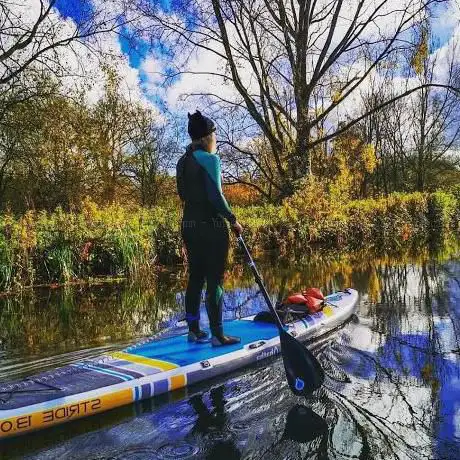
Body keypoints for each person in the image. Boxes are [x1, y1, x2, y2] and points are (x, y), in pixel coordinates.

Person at [176, 110, 243, 346]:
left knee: (195, 278)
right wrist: (233, 220)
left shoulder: (182, 162)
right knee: (215, 279)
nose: (215, 139)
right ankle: (217, 334)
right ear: (206, 137)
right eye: (214, 135)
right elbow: (216, 196)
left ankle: (193, 330)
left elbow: (184, 194)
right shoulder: (210, 159)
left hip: (189, 226)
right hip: (211, 227)